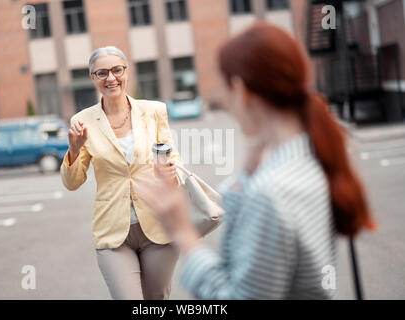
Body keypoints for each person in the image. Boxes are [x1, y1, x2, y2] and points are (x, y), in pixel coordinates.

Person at [134, 23, 377, 300]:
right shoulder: (310, 159)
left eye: (225, 89)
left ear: (240, 90)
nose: (226, 101)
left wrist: (183, 233)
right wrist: (246, 177)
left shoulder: (271, 192)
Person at [60, 46, 183, 300]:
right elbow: (72, 183)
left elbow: (173, 160)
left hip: (158, 226)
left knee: (156, 300)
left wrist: (171, 171)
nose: (111, 78)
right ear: (92, 77)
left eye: (117, 70)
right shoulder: (82, 121)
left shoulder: (154, 111)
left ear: (126, 72)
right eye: (102, 73)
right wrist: (74, 150)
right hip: (113, 233)